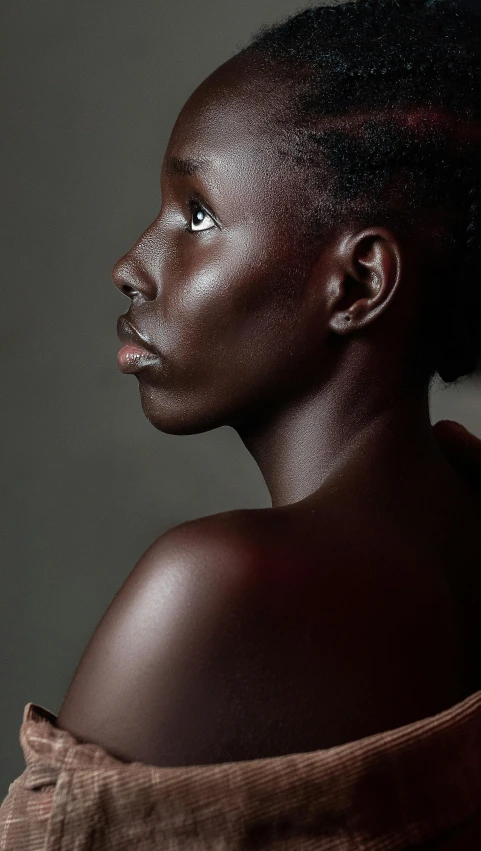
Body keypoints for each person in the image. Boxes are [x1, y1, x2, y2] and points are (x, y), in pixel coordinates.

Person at [1, 0, 481, 848]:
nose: (131, 266)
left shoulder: (219, 586)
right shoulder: (468, 515)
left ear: (358, 283)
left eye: (197, 216)